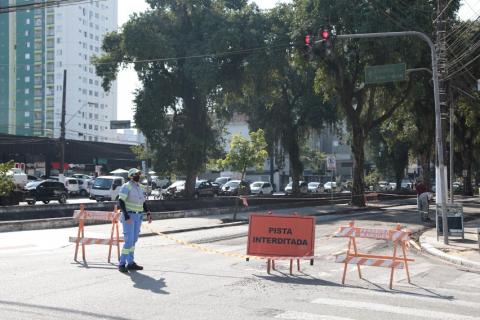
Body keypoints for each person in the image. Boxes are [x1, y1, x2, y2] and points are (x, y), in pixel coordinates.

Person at [117, 168, 152, 273]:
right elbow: (121, 201)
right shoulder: (126, 186)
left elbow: (143, 202)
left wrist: (148, 213)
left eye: (139, 175)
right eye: (137, 174)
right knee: (128, 241)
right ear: (131, 175)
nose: (139, 176)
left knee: (134, 241)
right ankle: (122, 264)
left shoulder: (139, 187)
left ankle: (130, 263)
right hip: (129, 217)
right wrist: (126, 216)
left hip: (138, 216)